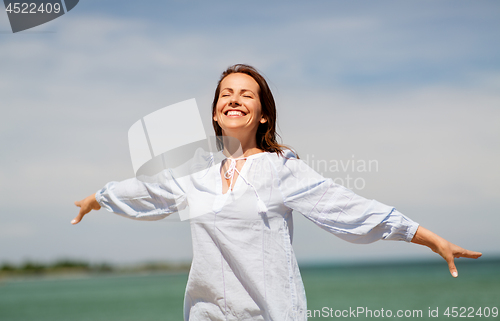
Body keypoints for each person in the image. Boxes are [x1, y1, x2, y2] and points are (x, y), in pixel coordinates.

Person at [73, 64, 482, 321]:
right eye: (225, 94)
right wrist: (97, 198)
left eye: (245, 93)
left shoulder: (281, 168)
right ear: (216, 113)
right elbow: (147, 192)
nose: (233, 98)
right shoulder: (197, 179)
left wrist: (427, 237)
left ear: (262, 113)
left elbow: (348, 208)